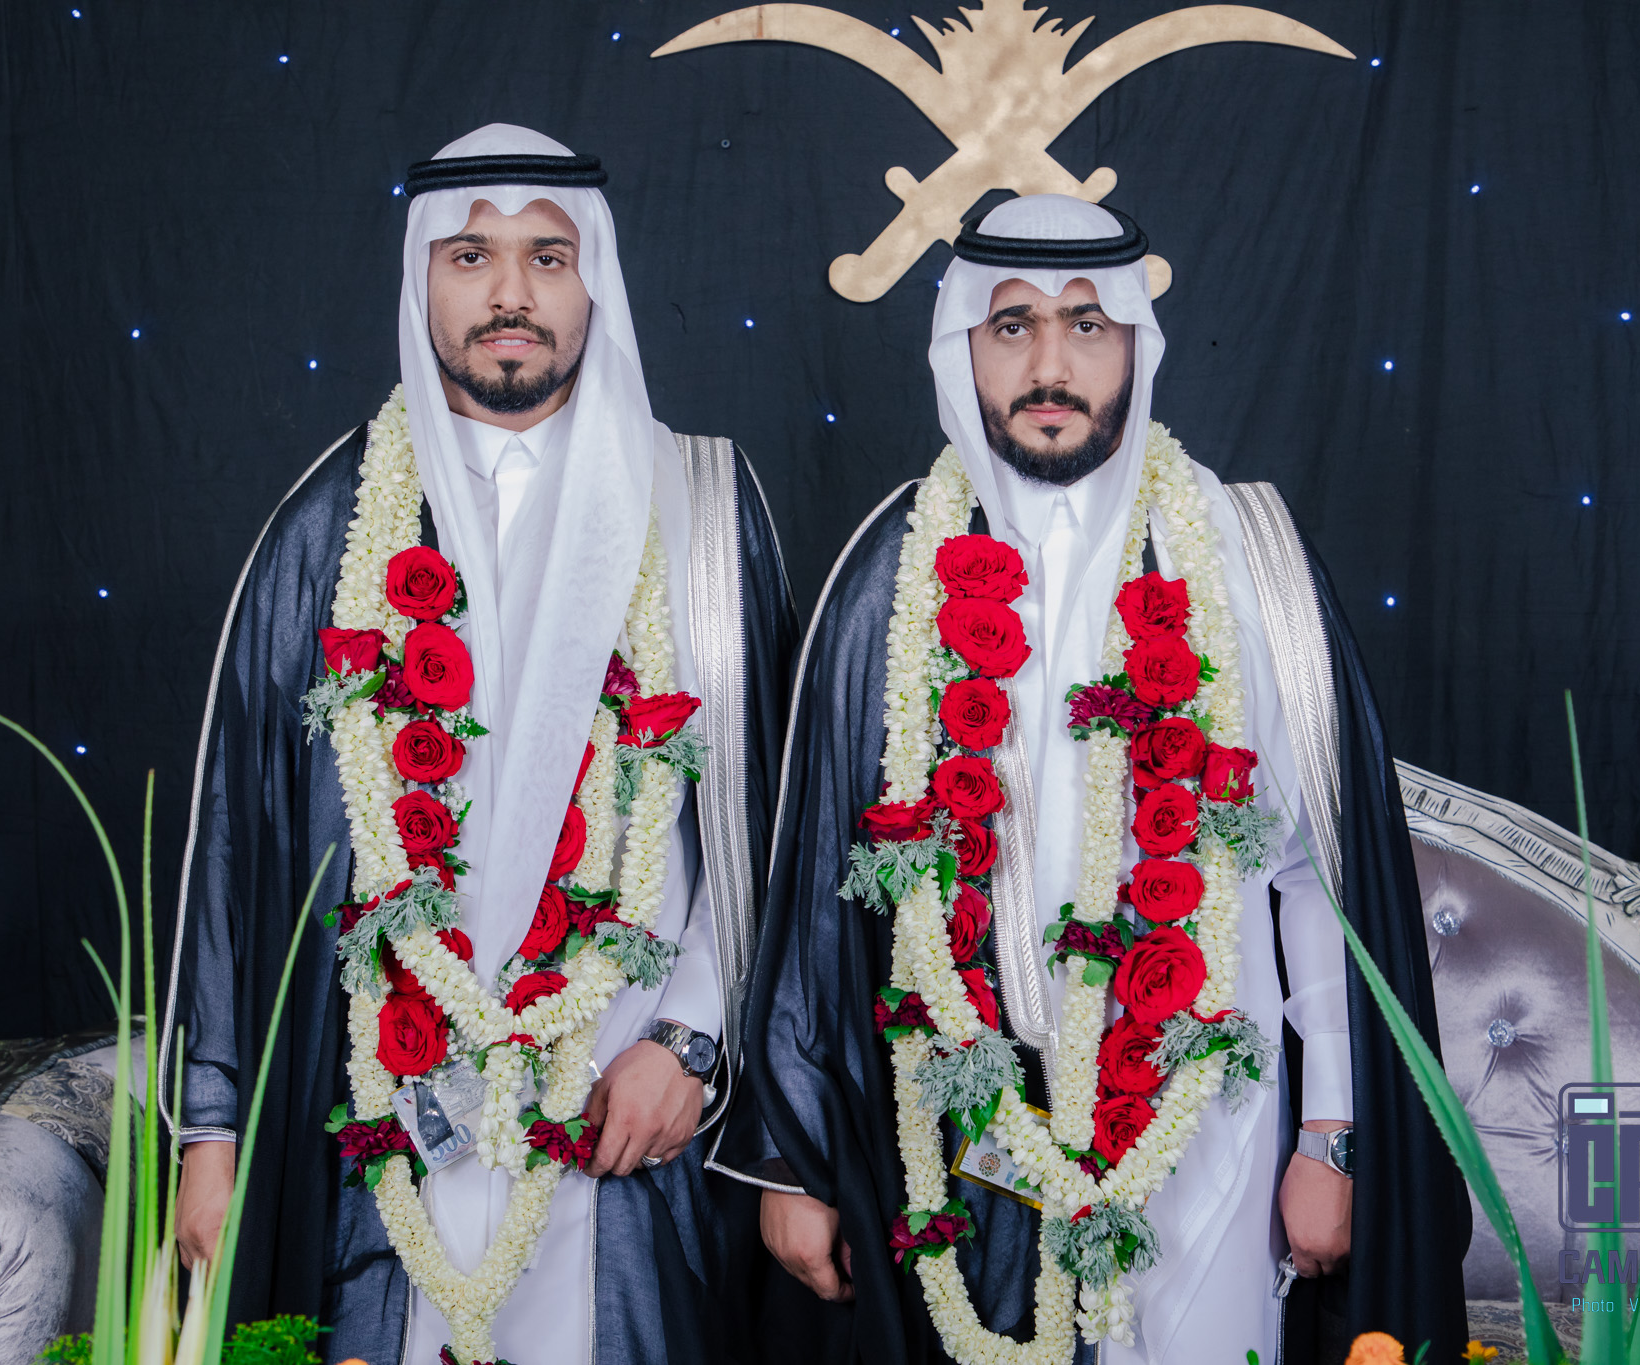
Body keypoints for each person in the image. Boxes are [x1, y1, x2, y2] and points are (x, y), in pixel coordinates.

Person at [711, 195, 1468, 1365]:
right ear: (960, 345)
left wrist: (1331, 1140)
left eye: (1086, 325)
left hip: (1209, 1131)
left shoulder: (1245, 558)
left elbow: (1315, 877)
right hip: (955, 1133)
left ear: (1135, 345)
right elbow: (819, 900)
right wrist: (795, 1163)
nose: (1049, 366)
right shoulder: (888, 572)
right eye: (1011, 325)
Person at [161, 123, 796, 1365]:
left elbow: (768, 822)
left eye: (547, 257)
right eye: (471, 256)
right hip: (381, 1106)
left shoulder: (700, 509)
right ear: (422, 280)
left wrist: (690, 1042)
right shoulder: (328, 526)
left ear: (593, 280)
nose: (510, 292)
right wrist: (211, 1138)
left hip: (625, 1113)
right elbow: (237, 846)